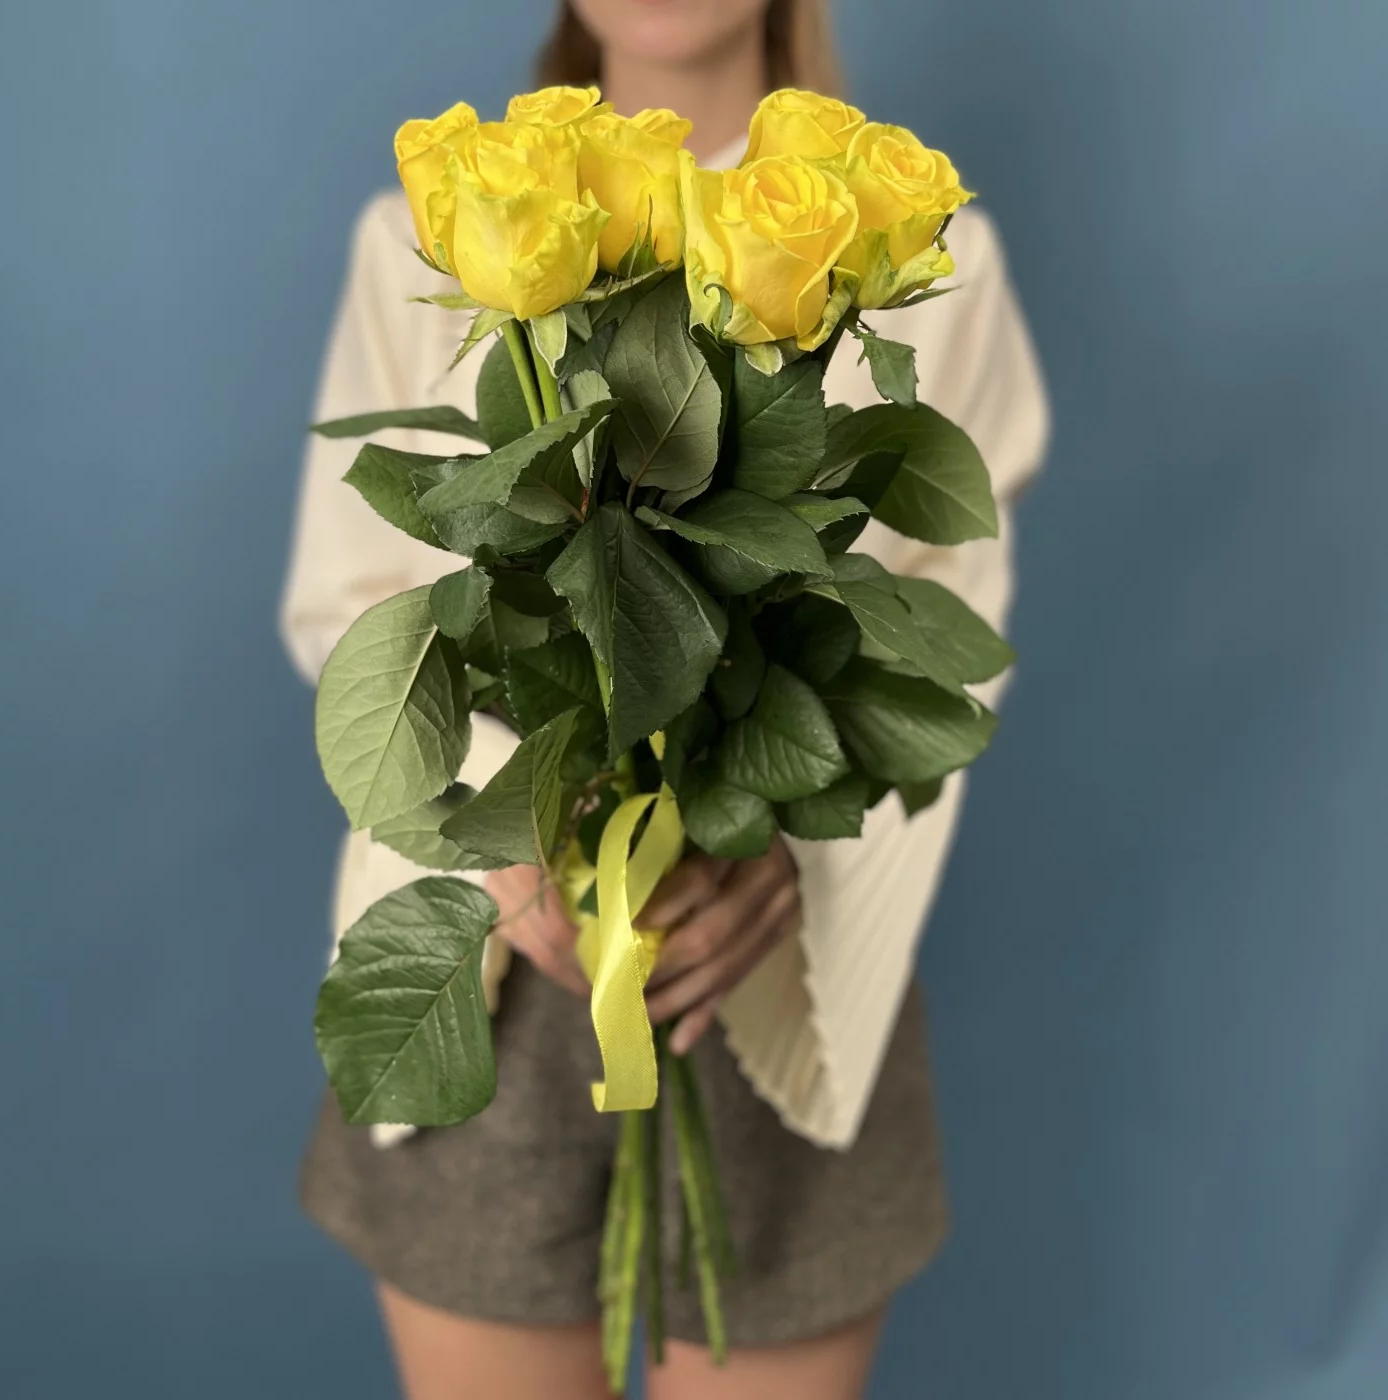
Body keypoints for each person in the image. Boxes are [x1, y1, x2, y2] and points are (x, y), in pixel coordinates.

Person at [280, 1, 1049, 1396]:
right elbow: (350, 600)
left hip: (783, 987)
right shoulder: (431, 228)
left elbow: (949, 632)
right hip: (504, 962)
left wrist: (795, 867)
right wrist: (505, 830)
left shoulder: (917, 248)